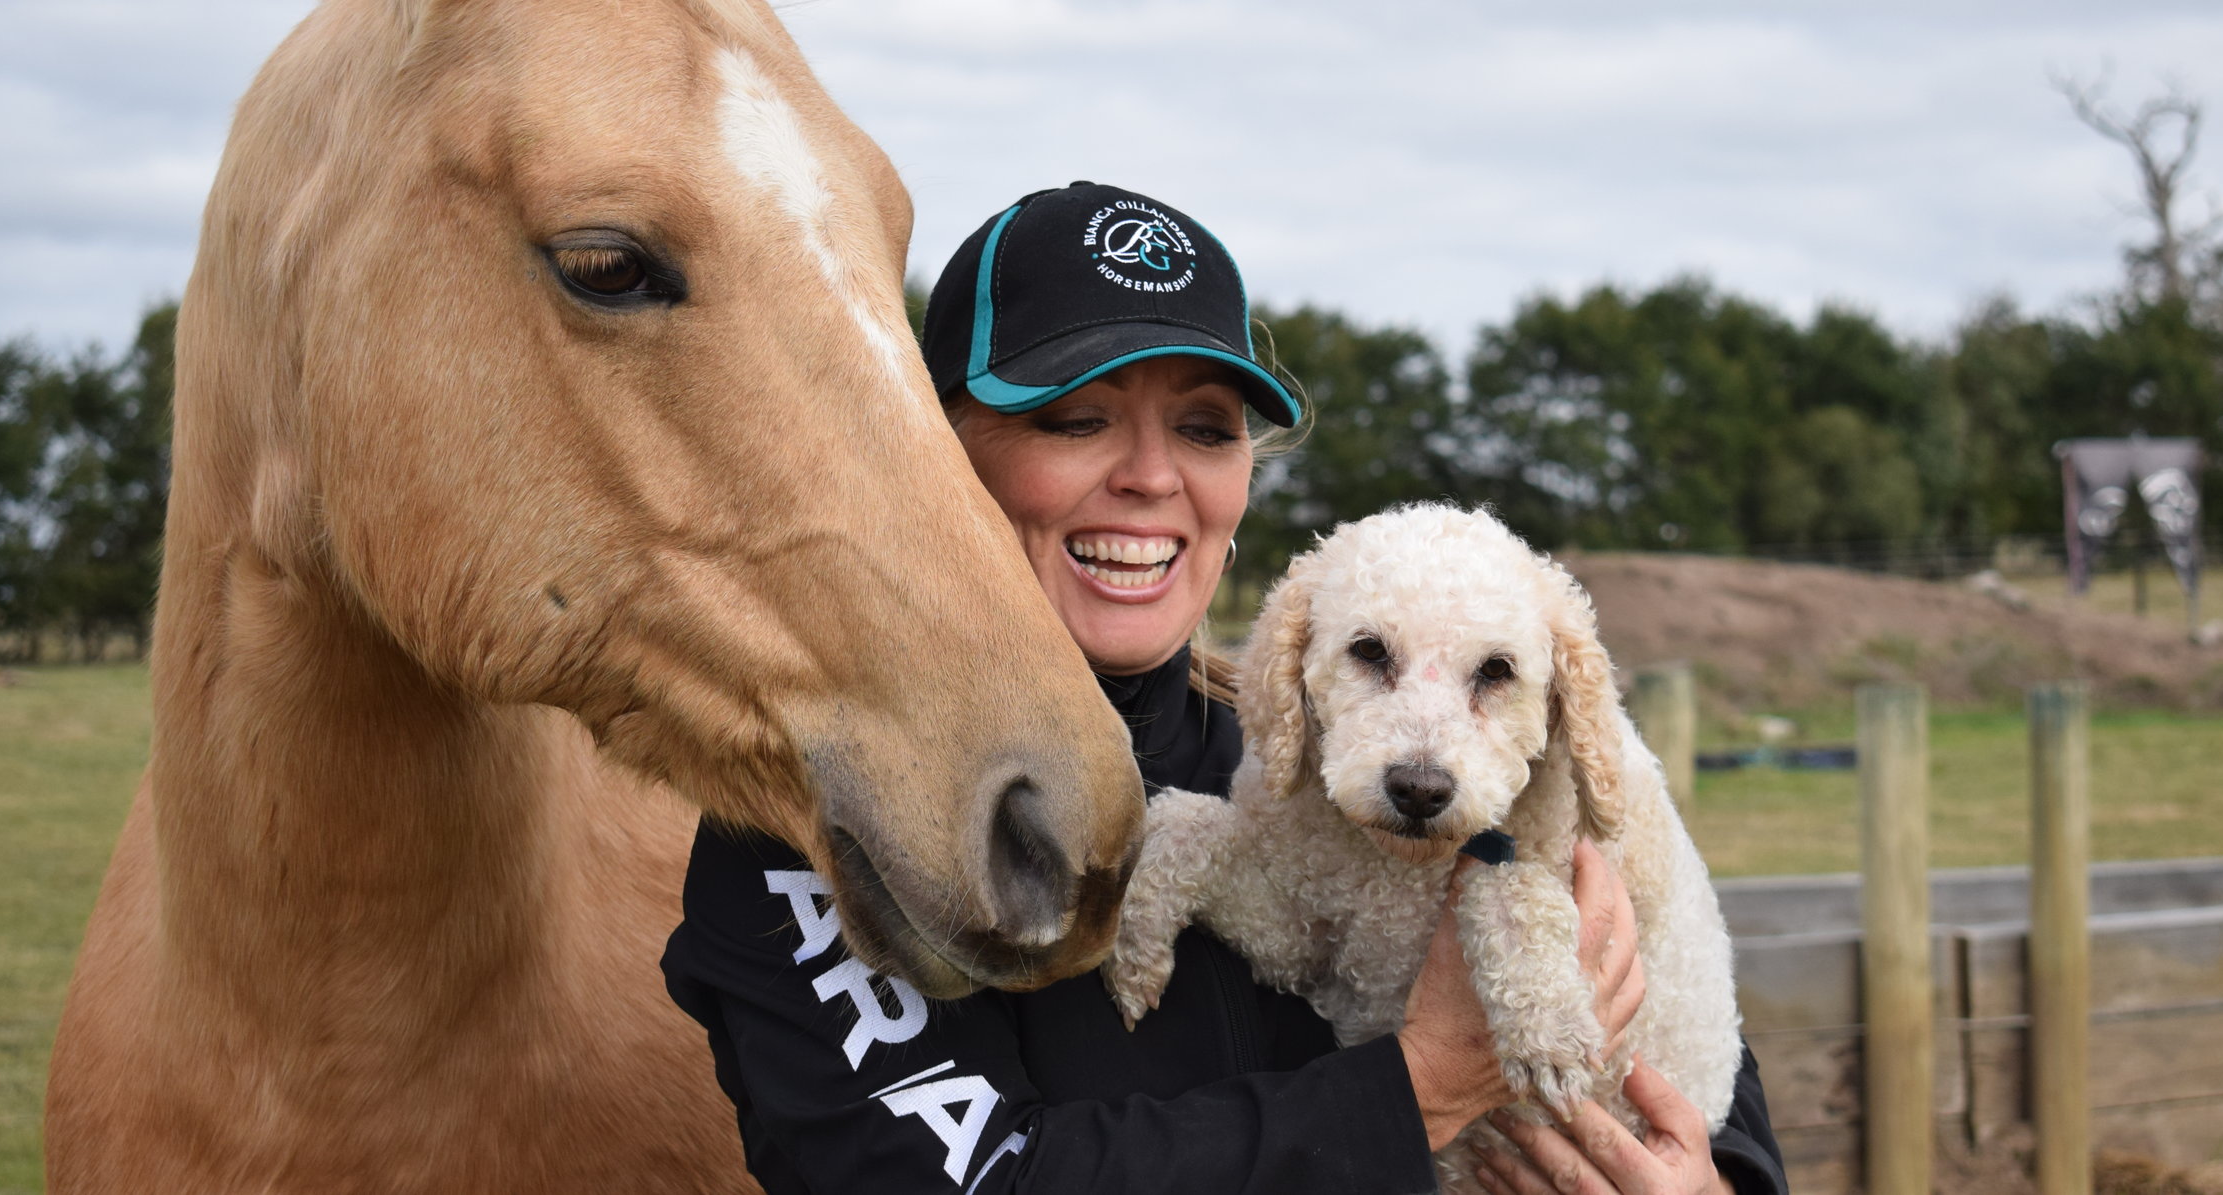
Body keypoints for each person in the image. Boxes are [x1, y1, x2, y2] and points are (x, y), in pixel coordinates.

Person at [663, 181, 1787, 1195]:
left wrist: (1712, 1179)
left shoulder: (1358, 752)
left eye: (1205, 428)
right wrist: (1419, 1088)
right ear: (939, 451)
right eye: (1076, 417)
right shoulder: (816, 821)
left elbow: (1693, 1039)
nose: (1154, 477)